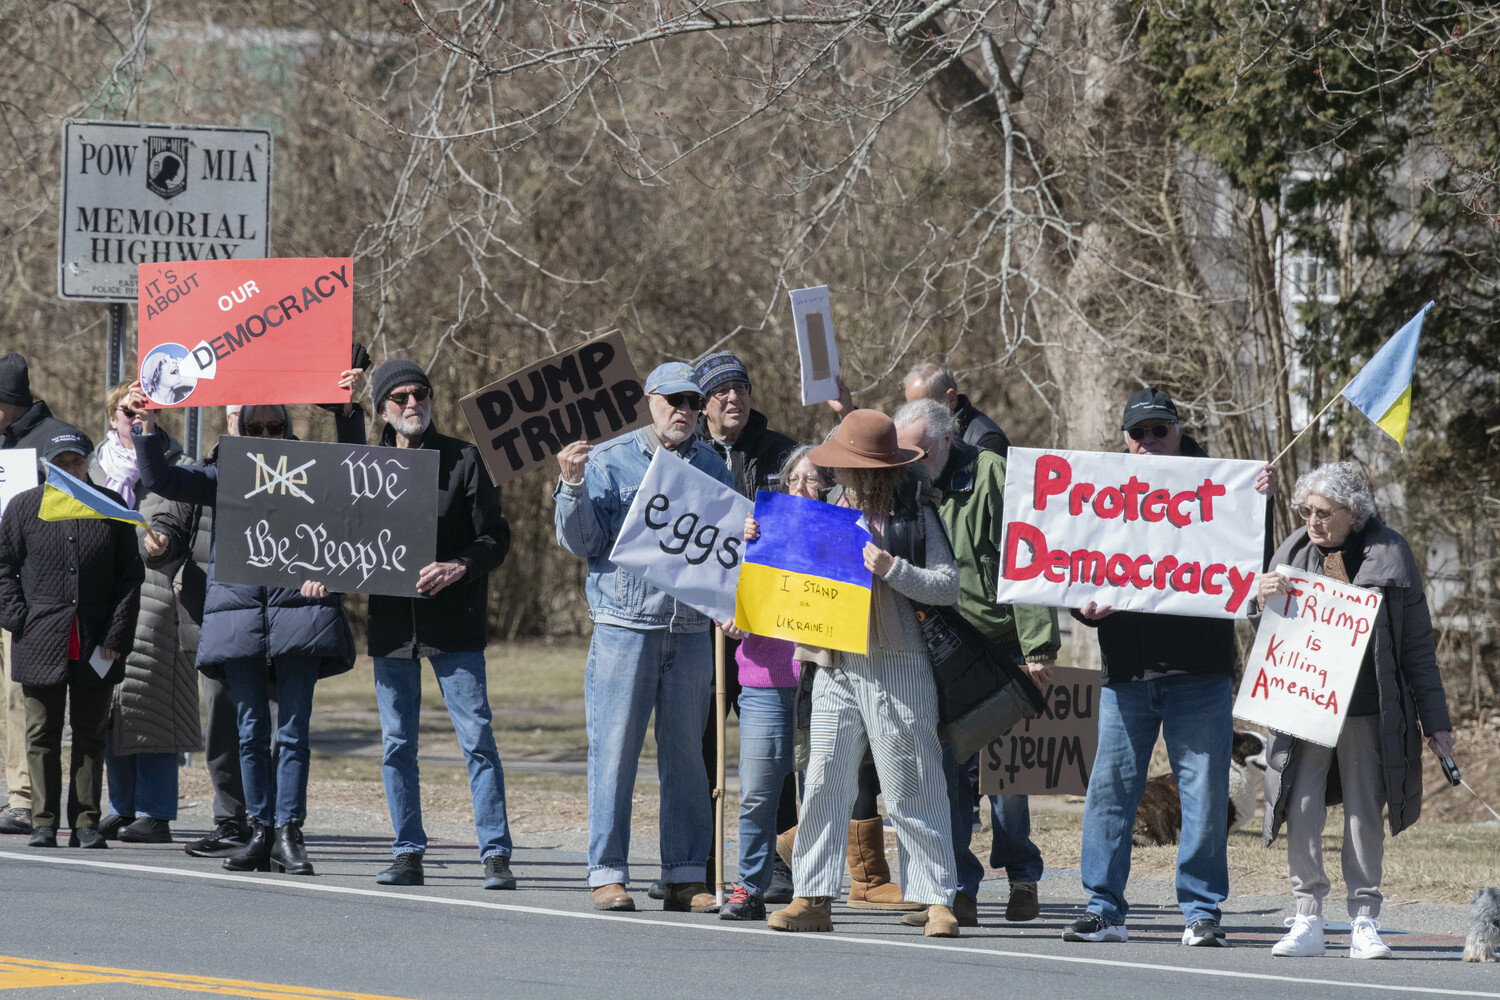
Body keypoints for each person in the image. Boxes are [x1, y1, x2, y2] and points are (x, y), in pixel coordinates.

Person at [1064, 387, 1274, 947]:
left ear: (1179, 432)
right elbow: (1070, 568)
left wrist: (1261, 503)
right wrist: (1083, 609)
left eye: (1160, 430)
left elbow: (1251, 571)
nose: (1149, 442)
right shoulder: (1099, 490)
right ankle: (1103, 908)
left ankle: (1202, 912)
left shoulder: (1225, 489)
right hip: (1126, 674)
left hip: (1199, 672)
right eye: (1139, 433)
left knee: (1204, 793)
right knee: (1110, 790)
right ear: (1124, 440)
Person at [133, 384, 362, 876]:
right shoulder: (223, 475)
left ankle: (288, 832)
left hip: (301, 615)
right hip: (239, 619)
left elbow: (358, 476)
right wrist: (148, 426)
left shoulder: (315, 472)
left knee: (293, 733)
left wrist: (346, 412)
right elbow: (163, 479)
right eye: (252, 427)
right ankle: (258, 830)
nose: (263, 434)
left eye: (273, 427)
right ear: (235, 429)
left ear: (288, 428)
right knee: (250, 731)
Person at [764, 409, 963, 938]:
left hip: (897, 663)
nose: (844, 475)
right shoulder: (826, 510)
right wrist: (762, 536)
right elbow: (783, 574)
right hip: (834, 664)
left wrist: (893, 568)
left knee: (911, 783)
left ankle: (937, 898)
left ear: (880, 468)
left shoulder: (915, 513)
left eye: (852, 466)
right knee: (824, 779)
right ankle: (812, 896)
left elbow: (947, 585)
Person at [554, 362, 730, 914]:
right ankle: (607, 873)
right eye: (672, 399)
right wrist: (571, 485)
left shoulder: (713, 465)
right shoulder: (607, 460)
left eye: (691, 401)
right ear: (649, 400)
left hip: (692, 631)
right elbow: (583, 543)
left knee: (686, 757)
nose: (683, 410)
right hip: (624, 627)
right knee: (614, 753)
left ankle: (683, 874)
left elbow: (724, 551)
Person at [1260, 462, 1454, 960]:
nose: (1313, 521)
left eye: (1324, 512)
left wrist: (1436, 723)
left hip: (1368, 709)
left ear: (1354, 512)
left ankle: (1363, 920)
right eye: (1306, 511)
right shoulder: (1293, 552)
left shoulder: (1390, 554)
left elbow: (1416, 649)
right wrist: (1258, 593)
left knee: (1364, 810)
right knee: (1300, 804)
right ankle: (1307, 917)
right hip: (1303, 706)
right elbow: (1241, 606)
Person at [893, 399, 1060, 927]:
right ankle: (957, 887)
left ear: (944, 441)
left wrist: (1038, 649)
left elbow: (1026, 556)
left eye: (915, 450)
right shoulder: (907, 478)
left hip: (999, 646)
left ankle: (1022, 878)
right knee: (946, 777)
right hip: (939, 646)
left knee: (1005, 778)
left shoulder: (993, 474)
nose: (907, 460)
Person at [358, 360, 515, 891]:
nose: (410, 404)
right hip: (392, 628)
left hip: (456, 623)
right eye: (398, 397)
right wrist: (325, 577)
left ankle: (495, 853)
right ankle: (407, 850)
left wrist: (460, 566)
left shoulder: (465, 459)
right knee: (397, 743)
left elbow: (495, 537)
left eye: (419, 393)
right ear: (382, 409)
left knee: (477, 740)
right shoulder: (365, 464)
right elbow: (340, 538)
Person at [0, 435, 144, 849]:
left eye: (76, 462)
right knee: (41, 733)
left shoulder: (109, 508)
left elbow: (129, 578)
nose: (69, 469)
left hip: (97, 641)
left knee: (90, 734)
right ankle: (43, 821)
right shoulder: (25, 506)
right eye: (60, 462)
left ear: (89, 464)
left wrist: (117, 634)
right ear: (48, 466)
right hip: (39, 639)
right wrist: (17, 618)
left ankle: (85, 821)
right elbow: (4, 566)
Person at [693, 349, 798, 902]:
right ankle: (702, 859)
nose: (733, 398)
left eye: (741, 388)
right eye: (720, 391)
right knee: (704, 743)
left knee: (772, 754)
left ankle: (777, 864)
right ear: (704, 403)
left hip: (766, 631)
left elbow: (802, 525)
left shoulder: (780, 453)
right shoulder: (689, 455)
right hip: (705, 627)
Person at [717, 446, 832, 921]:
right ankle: (749, 885)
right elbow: (726, 595)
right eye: (793, 479)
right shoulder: (757, 533)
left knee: (821, 791)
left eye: (812, 479)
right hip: (763, 677)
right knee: (760, 791)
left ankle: (812, 890)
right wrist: (734, 612)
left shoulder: (840, 535)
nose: (800, 488)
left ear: (828, 486)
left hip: (821, 680)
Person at [92, 384, 202, 844]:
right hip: (102, 600)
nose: (133, 419)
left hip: (157, 601)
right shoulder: (92, 469)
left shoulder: (173, 468)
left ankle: (155, 811)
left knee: (153, 704)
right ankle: (122, 806)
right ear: (112, 416)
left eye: (144, 412)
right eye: (126, 411)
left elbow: (175, 529)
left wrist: (161, 543)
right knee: (112, 708)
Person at [0, 352, 93, 836]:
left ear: (8, 403)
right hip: (9, 590)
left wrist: (19, 613)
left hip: (40, 603)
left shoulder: (54, 443)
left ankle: (25, 800)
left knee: (24, 702)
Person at [902, 361, 1010, 457]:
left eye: (921, 407)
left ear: (951, 399)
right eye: (909, 407)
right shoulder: (924, 437)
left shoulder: (987, 442)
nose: (913, 415)